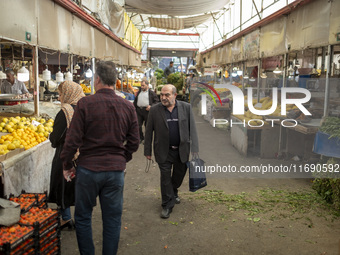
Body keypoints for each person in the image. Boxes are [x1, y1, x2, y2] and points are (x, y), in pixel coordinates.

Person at [60, 61, 139, 255]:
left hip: (88, 171)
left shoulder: (85, 104)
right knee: (112, 219)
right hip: (115, 172)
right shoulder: (127, 106)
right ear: (115, 81)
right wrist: (122, 158)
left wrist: (67, 164)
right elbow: (135, 141)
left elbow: (72, 140)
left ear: (96, 80)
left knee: (84, 217)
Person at [144, 84, 199, 219]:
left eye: (167, 95)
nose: (163, 97)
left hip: (182, 149)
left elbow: (193, 129)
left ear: (175, 95)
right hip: (163, 150)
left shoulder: (186, 108)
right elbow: (148, 131)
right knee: (165, 178)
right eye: (161, 95)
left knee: (178, 176)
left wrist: (195, 149)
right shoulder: (155, 110)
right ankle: (167, 205)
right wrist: (147, 151)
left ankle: (173, 191)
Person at [49, 80, 84, 230]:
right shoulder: (85, 108)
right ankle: (80, 220)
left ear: (69, 93)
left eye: (61, 93)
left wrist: (51, 136)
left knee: (63, 185)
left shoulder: (65, 112)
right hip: (83, 155)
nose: (59, 97)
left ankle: (66, 218)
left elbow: (57, 137)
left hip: (66, 154)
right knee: (79, 189)